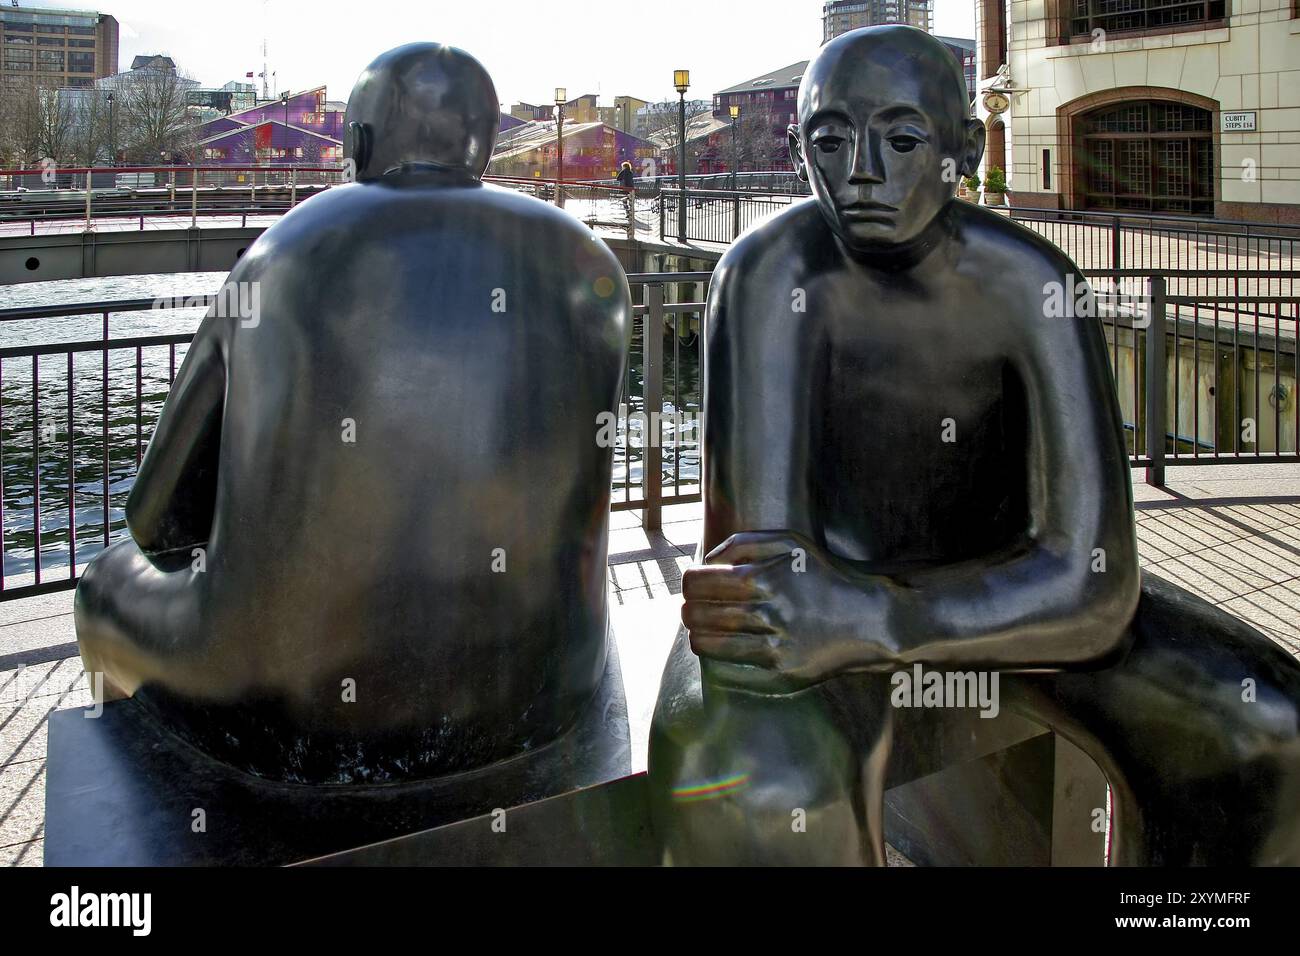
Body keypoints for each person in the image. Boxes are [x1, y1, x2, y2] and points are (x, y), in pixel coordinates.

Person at [647, 24, 1300, 866]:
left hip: (1002, 588)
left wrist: (878, 616)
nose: (862, 173)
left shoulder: (1032, 285)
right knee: (765, 787)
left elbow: (1094, 588)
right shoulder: (772, 274)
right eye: (831, 139)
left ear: (967, 146)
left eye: (903, 139)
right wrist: (822, 616)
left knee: (1266, 728)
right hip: (851, 590)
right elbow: (765, 591)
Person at [73, 43, 633, 786]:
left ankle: (139, 798)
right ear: (486, 141)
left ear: (358, 142)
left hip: (299, 707)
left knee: (104, 584)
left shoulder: (289, 249)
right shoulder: (589, 264)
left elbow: (154, 519)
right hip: (545, 689)